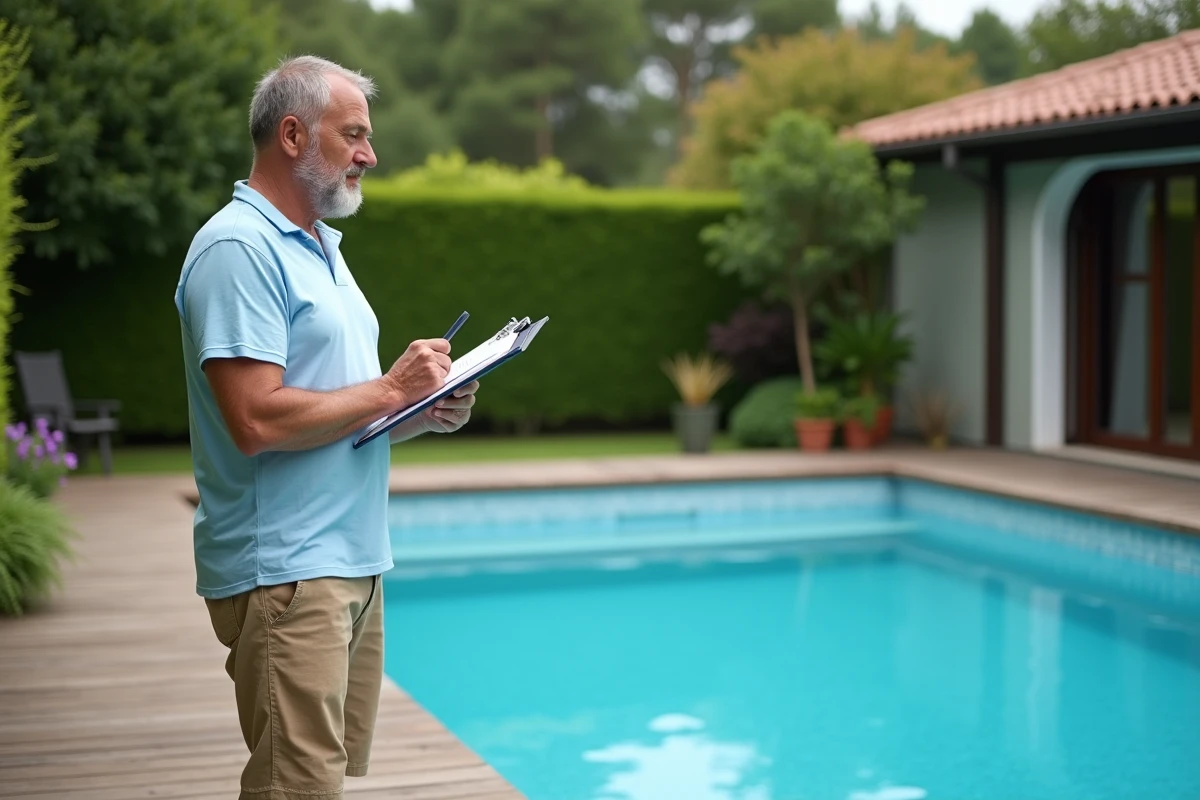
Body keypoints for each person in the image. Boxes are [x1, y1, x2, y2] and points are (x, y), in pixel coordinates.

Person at [172, 55, 478, 800]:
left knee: (320, 781)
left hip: (351, 565)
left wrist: (420, 411)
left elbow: (342, 416)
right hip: (287, 573)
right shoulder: (238, 248)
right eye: (354, 135)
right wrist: (387, 386)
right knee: (296, 787)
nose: (369, 155)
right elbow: (254, 419)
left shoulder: (319, 249)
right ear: (291, 134)